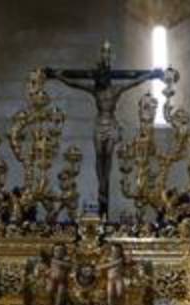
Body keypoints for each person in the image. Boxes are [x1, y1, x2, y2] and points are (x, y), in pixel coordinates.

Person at [45, 42, 163, 217]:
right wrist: (58, 76)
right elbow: (76, 84)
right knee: (99, 156)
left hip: (111, 124)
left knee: (108, 157)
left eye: (101, 79)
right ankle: (101, 185)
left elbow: (133, 82)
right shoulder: (95, 91)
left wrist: (150, 75)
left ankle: (104, 186)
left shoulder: (115, 90)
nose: (99, 81)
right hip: (99, 124)